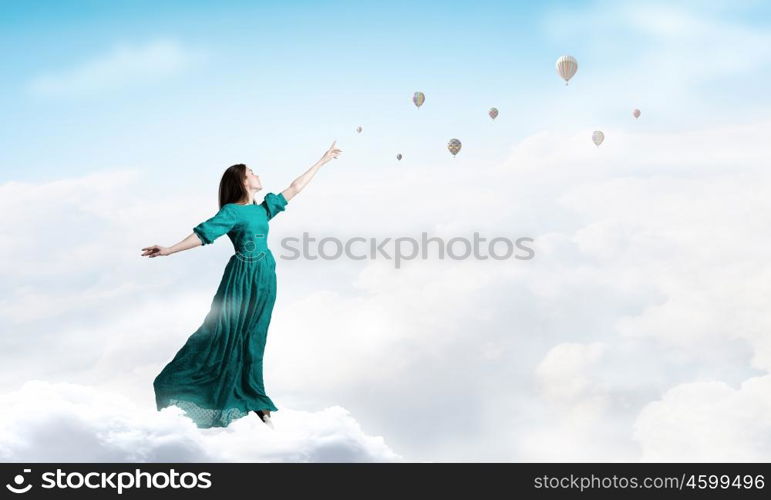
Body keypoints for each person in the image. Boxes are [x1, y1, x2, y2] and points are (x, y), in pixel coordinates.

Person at [141, 141, 342, 429]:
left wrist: (322, 161)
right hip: (241, 278)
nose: (258, 174)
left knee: (255, 336)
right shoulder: (232, 212)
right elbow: (203, 235)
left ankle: (254, 398)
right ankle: (197, 387)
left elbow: (295, 188)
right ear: (243, 180)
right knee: (221, 331)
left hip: (265, 277)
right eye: (252, 172)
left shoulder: (263, 210)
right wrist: (170, 249)